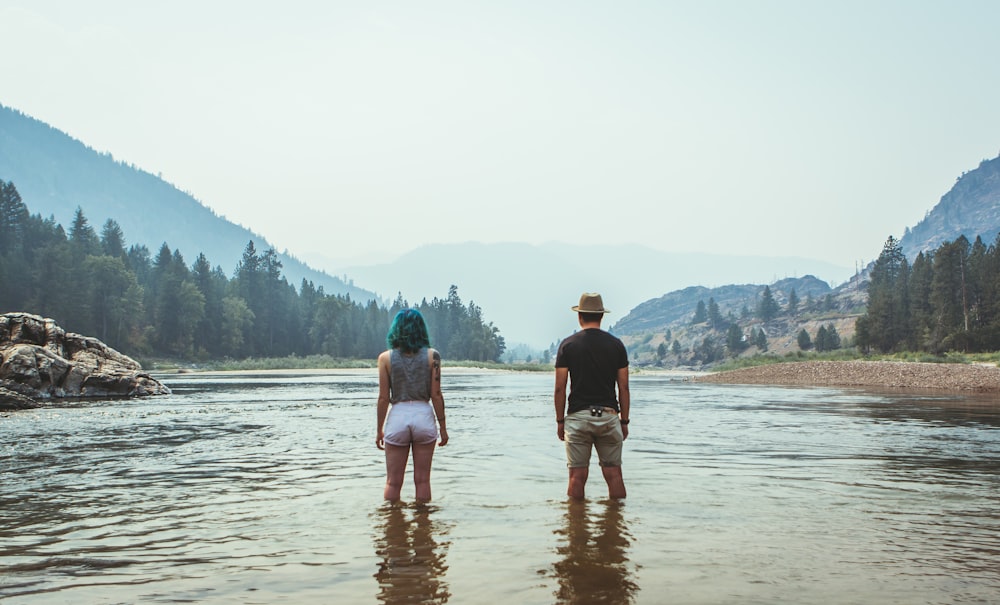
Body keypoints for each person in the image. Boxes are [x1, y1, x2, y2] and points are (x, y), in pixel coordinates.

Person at [554, 292, 630, 500]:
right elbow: (624, 388)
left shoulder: (568, 345)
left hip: (578, 418)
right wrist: (624, 421)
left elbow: (560, 388)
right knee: (614, 475)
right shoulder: (616, 346)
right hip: (608, 416)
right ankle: (617, 524)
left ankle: (576, 526)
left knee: (576, 477)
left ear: (580, 316)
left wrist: (560, 421)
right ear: (601, 316)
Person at [376, 309, 448, 502]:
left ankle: (392, 527)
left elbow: (383, 398)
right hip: (423, 416)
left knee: (393, 482)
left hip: (398, 416)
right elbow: (436, 394)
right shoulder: (434, 356)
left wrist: (379, 430)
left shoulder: (385, 358)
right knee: (423, 481)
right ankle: (424, 528)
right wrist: (443, 427)